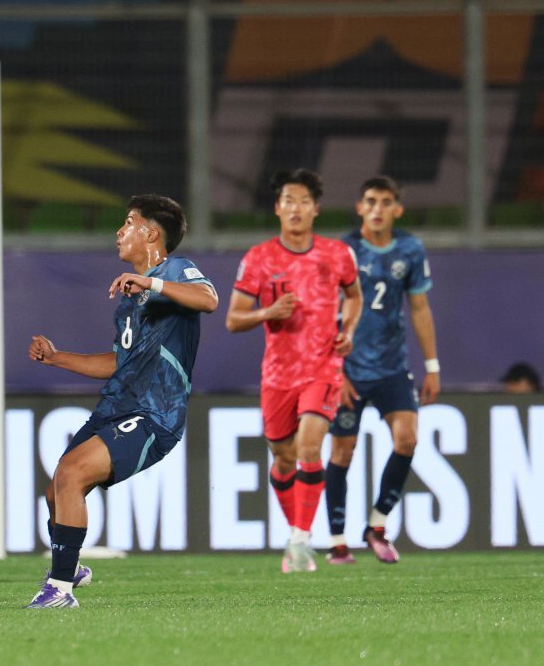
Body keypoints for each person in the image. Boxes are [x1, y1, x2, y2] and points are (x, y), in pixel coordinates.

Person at [25, 196, 217, 609]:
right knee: (56, 490)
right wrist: (57, 357)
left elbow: (208, 299)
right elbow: (118, 361)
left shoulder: (174, 270)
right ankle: (70, 565)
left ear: (151, 233)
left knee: (73, 473)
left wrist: (152, 282)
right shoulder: (132, 298)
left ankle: (60, 590)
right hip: (116, 406)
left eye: (128, 223)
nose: (119, 231)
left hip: (154, 413)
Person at [226, 169, 363, 574]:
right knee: (284, 459)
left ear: (315, 209)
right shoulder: (258, 258)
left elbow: (354, 296)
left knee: (308, 446)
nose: (296, 208)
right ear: (277, 208)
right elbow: (233, 319)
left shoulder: (337, 254)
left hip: (323, 367)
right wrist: (268, 312)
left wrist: (349, 329)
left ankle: (300, 542)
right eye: (288, 200)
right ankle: (296, 536)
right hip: (278, 376)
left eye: (303, 201)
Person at [325, 176, 439, 566]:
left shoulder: (410, 249)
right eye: (370, 201)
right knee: (343, 449)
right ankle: (338, 541)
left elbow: (420, 308)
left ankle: (376, 526)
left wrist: (432, 366)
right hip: (350, 368)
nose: (377, 209)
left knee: (407, 439)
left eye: (385, 202)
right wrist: (333, 369)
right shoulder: (343, 250)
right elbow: (326, 309)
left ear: (397, 209)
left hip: (392, 366)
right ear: (359, 208)